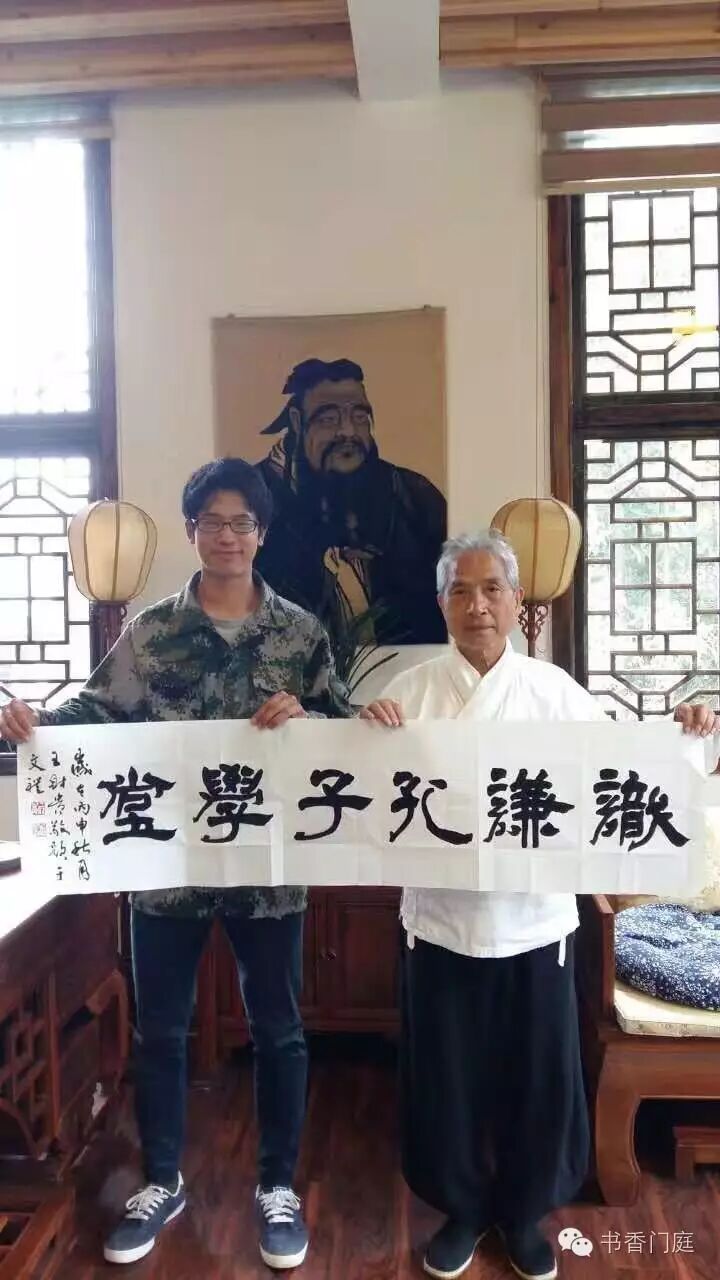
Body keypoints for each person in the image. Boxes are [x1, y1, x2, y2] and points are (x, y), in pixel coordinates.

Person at [0, 457, 351, 1271]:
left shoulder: (299, 633)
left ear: (262, 534)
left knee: (279, 1030)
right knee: (162, 1029)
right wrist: (36, 722)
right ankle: (161, 1180)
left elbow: (340, 724)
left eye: (242, 522)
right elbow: (96, 709)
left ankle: (277, 1187)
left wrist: (309, 716)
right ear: (192, 531)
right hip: (166, 867)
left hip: (267, 870)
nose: (228, 536)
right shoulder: (152, 632)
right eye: (213, 522)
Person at [360, 530, 719, 1280]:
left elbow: (621, 771)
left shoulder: (556, 692)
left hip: (536, 923)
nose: (478, 605)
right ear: (441, 603)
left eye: (493, 589)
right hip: (441, 924)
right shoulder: (406, 696)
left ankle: (524, 1214)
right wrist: (366, 734)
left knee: (538, 1079)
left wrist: (684, 732)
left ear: (517, 601)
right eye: (461, 590)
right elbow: (359, 789)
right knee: (447, 1080)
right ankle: (461, 1209)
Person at [255, 357, 447, 645]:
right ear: (296, 421)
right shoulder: (255, 502)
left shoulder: (414, 498)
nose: (348, 431)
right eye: (329, 419)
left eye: (359, 417)